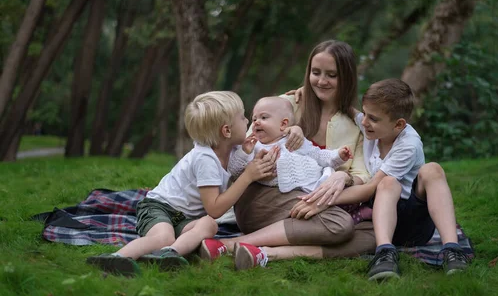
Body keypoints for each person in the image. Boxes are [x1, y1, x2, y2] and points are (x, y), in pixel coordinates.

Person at [199, 40, 376, 269]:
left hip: (308, 203)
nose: (321, 81)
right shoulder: (288, 103)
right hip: (263, 196)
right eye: (315, 72)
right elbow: (246, 142)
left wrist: (344, 177)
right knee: (340, 225)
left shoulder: (356, 125)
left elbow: (362, 174)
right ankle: (231, 244)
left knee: (373, 234)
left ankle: (264, 254)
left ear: (347, 77)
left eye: (331, 75)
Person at [291, 79, 469, 279]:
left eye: (373, 118)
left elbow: (371, 188)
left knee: (430, 170)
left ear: (399, 124)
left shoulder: (408, 144)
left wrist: (322, 201)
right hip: (379, 219)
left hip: (412, 223)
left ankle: (452, 250)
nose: (364, 121)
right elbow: (346, 107)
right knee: (387, 183)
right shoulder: (370, 125)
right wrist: (311, 92)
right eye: (365, 114)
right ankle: (385, 253)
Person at [86, 91, 278, 276]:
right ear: (226, 130)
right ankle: (116, 258)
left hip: (184, 217)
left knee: (210, 226)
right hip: (159, 208)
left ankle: (169, 254)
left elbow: (239, 166)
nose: (248, 122)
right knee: (163, 236)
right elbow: (215, 209)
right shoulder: (205, 159)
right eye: (243, 117)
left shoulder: (232, 148)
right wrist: (248, 176)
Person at [228, 96, 353, 193]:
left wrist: (338, 155)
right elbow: (235, 171)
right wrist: (244, 152)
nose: (256, 122)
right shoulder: (254, 147)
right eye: (254, 119)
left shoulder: (293, 140)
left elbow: (317, 154)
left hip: (316, 179)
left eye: (264, 117)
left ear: (283, 124)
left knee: (330, 181)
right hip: (289, 193)